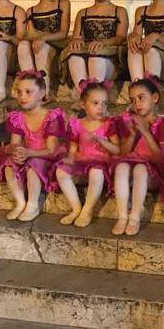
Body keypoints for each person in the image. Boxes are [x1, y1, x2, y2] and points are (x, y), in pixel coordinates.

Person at [0, 69, 68, 221]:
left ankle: (32, 205)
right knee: (9, 165)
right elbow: (15, 143)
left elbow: (51, 150)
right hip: (28, 154)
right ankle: (20, 202)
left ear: (42, 93)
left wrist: (28, 153)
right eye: (19, 92)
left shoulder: (52, 117)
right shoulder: (17, 117)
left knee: (32, 167)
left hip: (47, 157)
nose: (22, 96)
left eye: (28, 92)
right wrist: (14, 151)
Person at [55, 79, 121, 227]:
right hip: (82, 158)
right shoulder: (77, 124)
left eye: (104, 103)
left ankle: (88, 209)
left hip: (100, 161)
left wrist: (103, 141)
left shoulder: (108, 124)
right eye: (95, 103)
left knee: (95, 173)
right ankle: (76, 207)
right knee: (61, 171)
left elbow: (117, 149)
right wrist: (71, 158)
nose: (101, 108)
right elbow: (73, 146)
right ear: (83, 105)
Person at [111, 76, 164, 236]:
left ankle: (135, 216)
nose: (137, 104)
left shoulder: (162, 124)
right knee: (122, 166)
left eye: (141, 98)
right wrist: (132, 135)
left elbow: (161, 158)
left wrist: (145, 131)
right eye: (132, 100)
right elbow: (123, 153)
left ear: (155, 98)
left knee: (140, 169)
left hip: (152, 172)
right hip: (131, 166)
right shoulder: (131, 122)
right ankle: (123, 216)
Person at [60, 0, 129, 91]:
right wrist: (76, 41)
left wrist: (102, 43)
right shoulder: (83, 13)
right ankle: (84, 97)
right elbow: (77, 37)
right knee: (73, 55)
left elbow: (121, 37)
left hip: (109, 60)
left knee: (96, 58)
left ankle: (96, 97)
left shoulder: (120, 11)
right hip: (87, 56)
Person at [18, 0, 70, 96]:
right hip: (39, 44)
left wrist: (44, 38)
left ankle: (43, 92)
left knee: (42, 47)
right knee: (23, 45)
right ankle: (28, 87)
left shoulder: (63, 4)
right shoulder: (31, 11)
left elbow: (63, 32)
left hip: (57, 45)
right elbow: (31, 34)